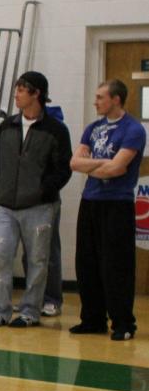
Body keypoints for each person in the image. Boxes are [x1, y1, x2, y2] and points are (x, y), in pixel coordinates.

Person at [0, 71, 72, 328]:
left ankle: (30, 311)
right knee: (0, 257)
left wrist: (43, 190)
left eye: (22, 90)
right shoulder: (7, 126)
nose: (16, 94)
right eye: (17, 89)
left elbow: (63, 168)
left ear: (36, 94)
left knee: (37, 261)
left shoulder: (56, 130)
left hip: (40, 206)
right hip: (6, 206)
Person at [69, 80, 145, 341]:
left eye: (101, 97)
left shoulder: (133, 129)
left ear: (116, 99)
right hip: (90, 201)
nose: (96, 102)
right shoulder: (93, 128)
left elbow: (118, 168)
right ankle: (93, 319)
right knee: (87, 262)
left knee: (116, 265)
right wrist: (102, 164)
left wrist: (93, 164)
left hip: (117, 203)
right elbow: (74, 162)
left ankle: (123, 323)